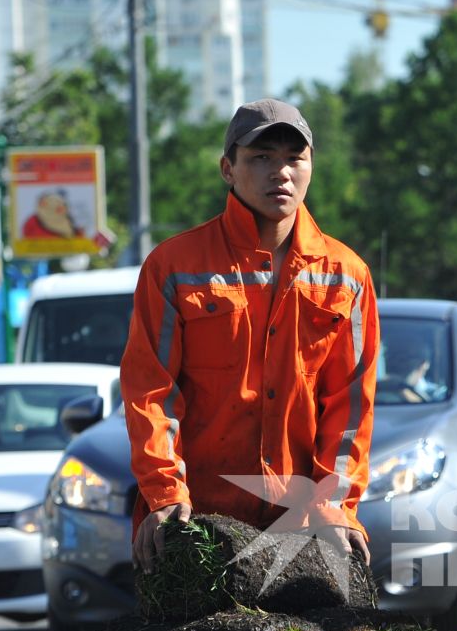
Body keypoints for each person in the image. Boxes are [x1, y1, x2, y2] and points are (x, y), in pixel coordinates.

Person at [122, 98, 380, 573]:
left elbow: (350, 407)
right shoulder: (175, 267)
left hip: (303, 524)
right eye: (261, 158)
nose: (279, 171)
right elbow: (150, 391)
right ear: (228, 169)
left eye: (293, 158)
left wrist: (334, 504)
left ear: (310, 167)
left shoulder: (348, 275)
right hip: (197, 525)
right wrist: (164, 494)